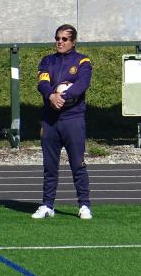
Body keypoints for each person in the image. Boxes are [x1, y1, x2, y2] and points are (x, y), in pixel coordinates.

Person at [31, 24, 93, 220]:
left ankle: (84, 205)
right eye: (58, 38)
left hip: (72, 119)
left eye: (65, 39)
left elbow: (82, 84)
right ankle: (47, 205)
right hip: (50, 120)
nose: (60, 42)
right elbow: (42, 83)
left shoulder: (82, 61)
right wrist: (51, 96)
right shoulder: (47, 61)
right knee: (50, 165)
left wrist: (63, 96)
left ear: (73, 42)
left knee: (78, 164)